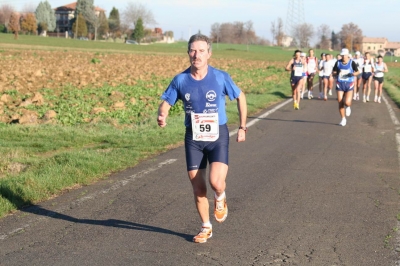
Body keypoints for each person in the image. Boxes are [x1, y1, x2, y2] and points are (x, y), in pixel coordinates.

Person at [157, 34, 247, 244]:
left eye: (201, 51)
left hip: (217, 135)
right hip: (194, 138)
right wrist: (162, 114)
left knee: (216, 182)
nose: (196, 55)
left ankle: (220, 196)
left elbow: (240, 97)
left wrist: (242, 127)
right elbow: (166, 102)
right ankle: (206, 227)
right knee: (198, 188)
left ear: (209, 54)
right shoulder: (180, 80)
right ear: (188, 52)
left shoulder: (220, 77)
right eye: (192, 51)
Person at [332, 48, 360, 126]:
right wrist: (336, 72)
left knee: (347, 102)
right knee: (340, 102)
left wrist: (353, 74)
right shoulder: (338, 62)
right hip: (340, 83)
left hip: (349, 84)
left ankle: (348, 107)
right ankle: (343, 119)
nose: (343, 57)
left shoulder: (352, 63)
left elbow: (358, 71)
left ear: (348, 55)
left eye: (345, 55)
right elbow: (333, 72)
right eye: (342, 55)